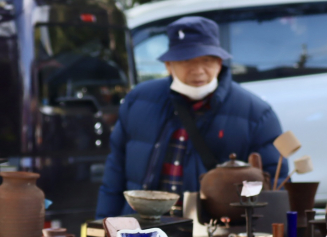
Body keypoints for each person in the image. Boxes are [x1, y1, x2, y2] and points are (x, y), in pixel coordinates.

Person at [96, 16, 287, 219]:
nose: (198, 70)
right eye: (186, 60)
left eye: (206, 60)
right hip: (141, 226)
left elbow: (274, 185)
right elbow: (115, 173)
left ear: (219, 62)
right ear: (168, 65)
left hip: (212, 233)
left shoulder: (257, 113)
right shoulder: (138, 100)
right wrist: (103, 227)